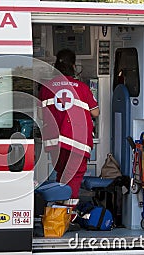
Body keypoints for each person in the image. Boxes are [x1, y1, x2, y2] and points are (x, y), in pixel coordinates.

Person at [39, 48, 99, 213]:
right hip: (76, 141)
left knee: (61, 175)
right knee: (74, 176)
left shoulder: (46, 88)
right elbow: (95, 112)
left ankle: (59, 210)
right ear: (73, 66)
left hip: (54, 141)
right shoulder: (81, 87)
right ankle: (68, 214)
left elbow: (41, 113)